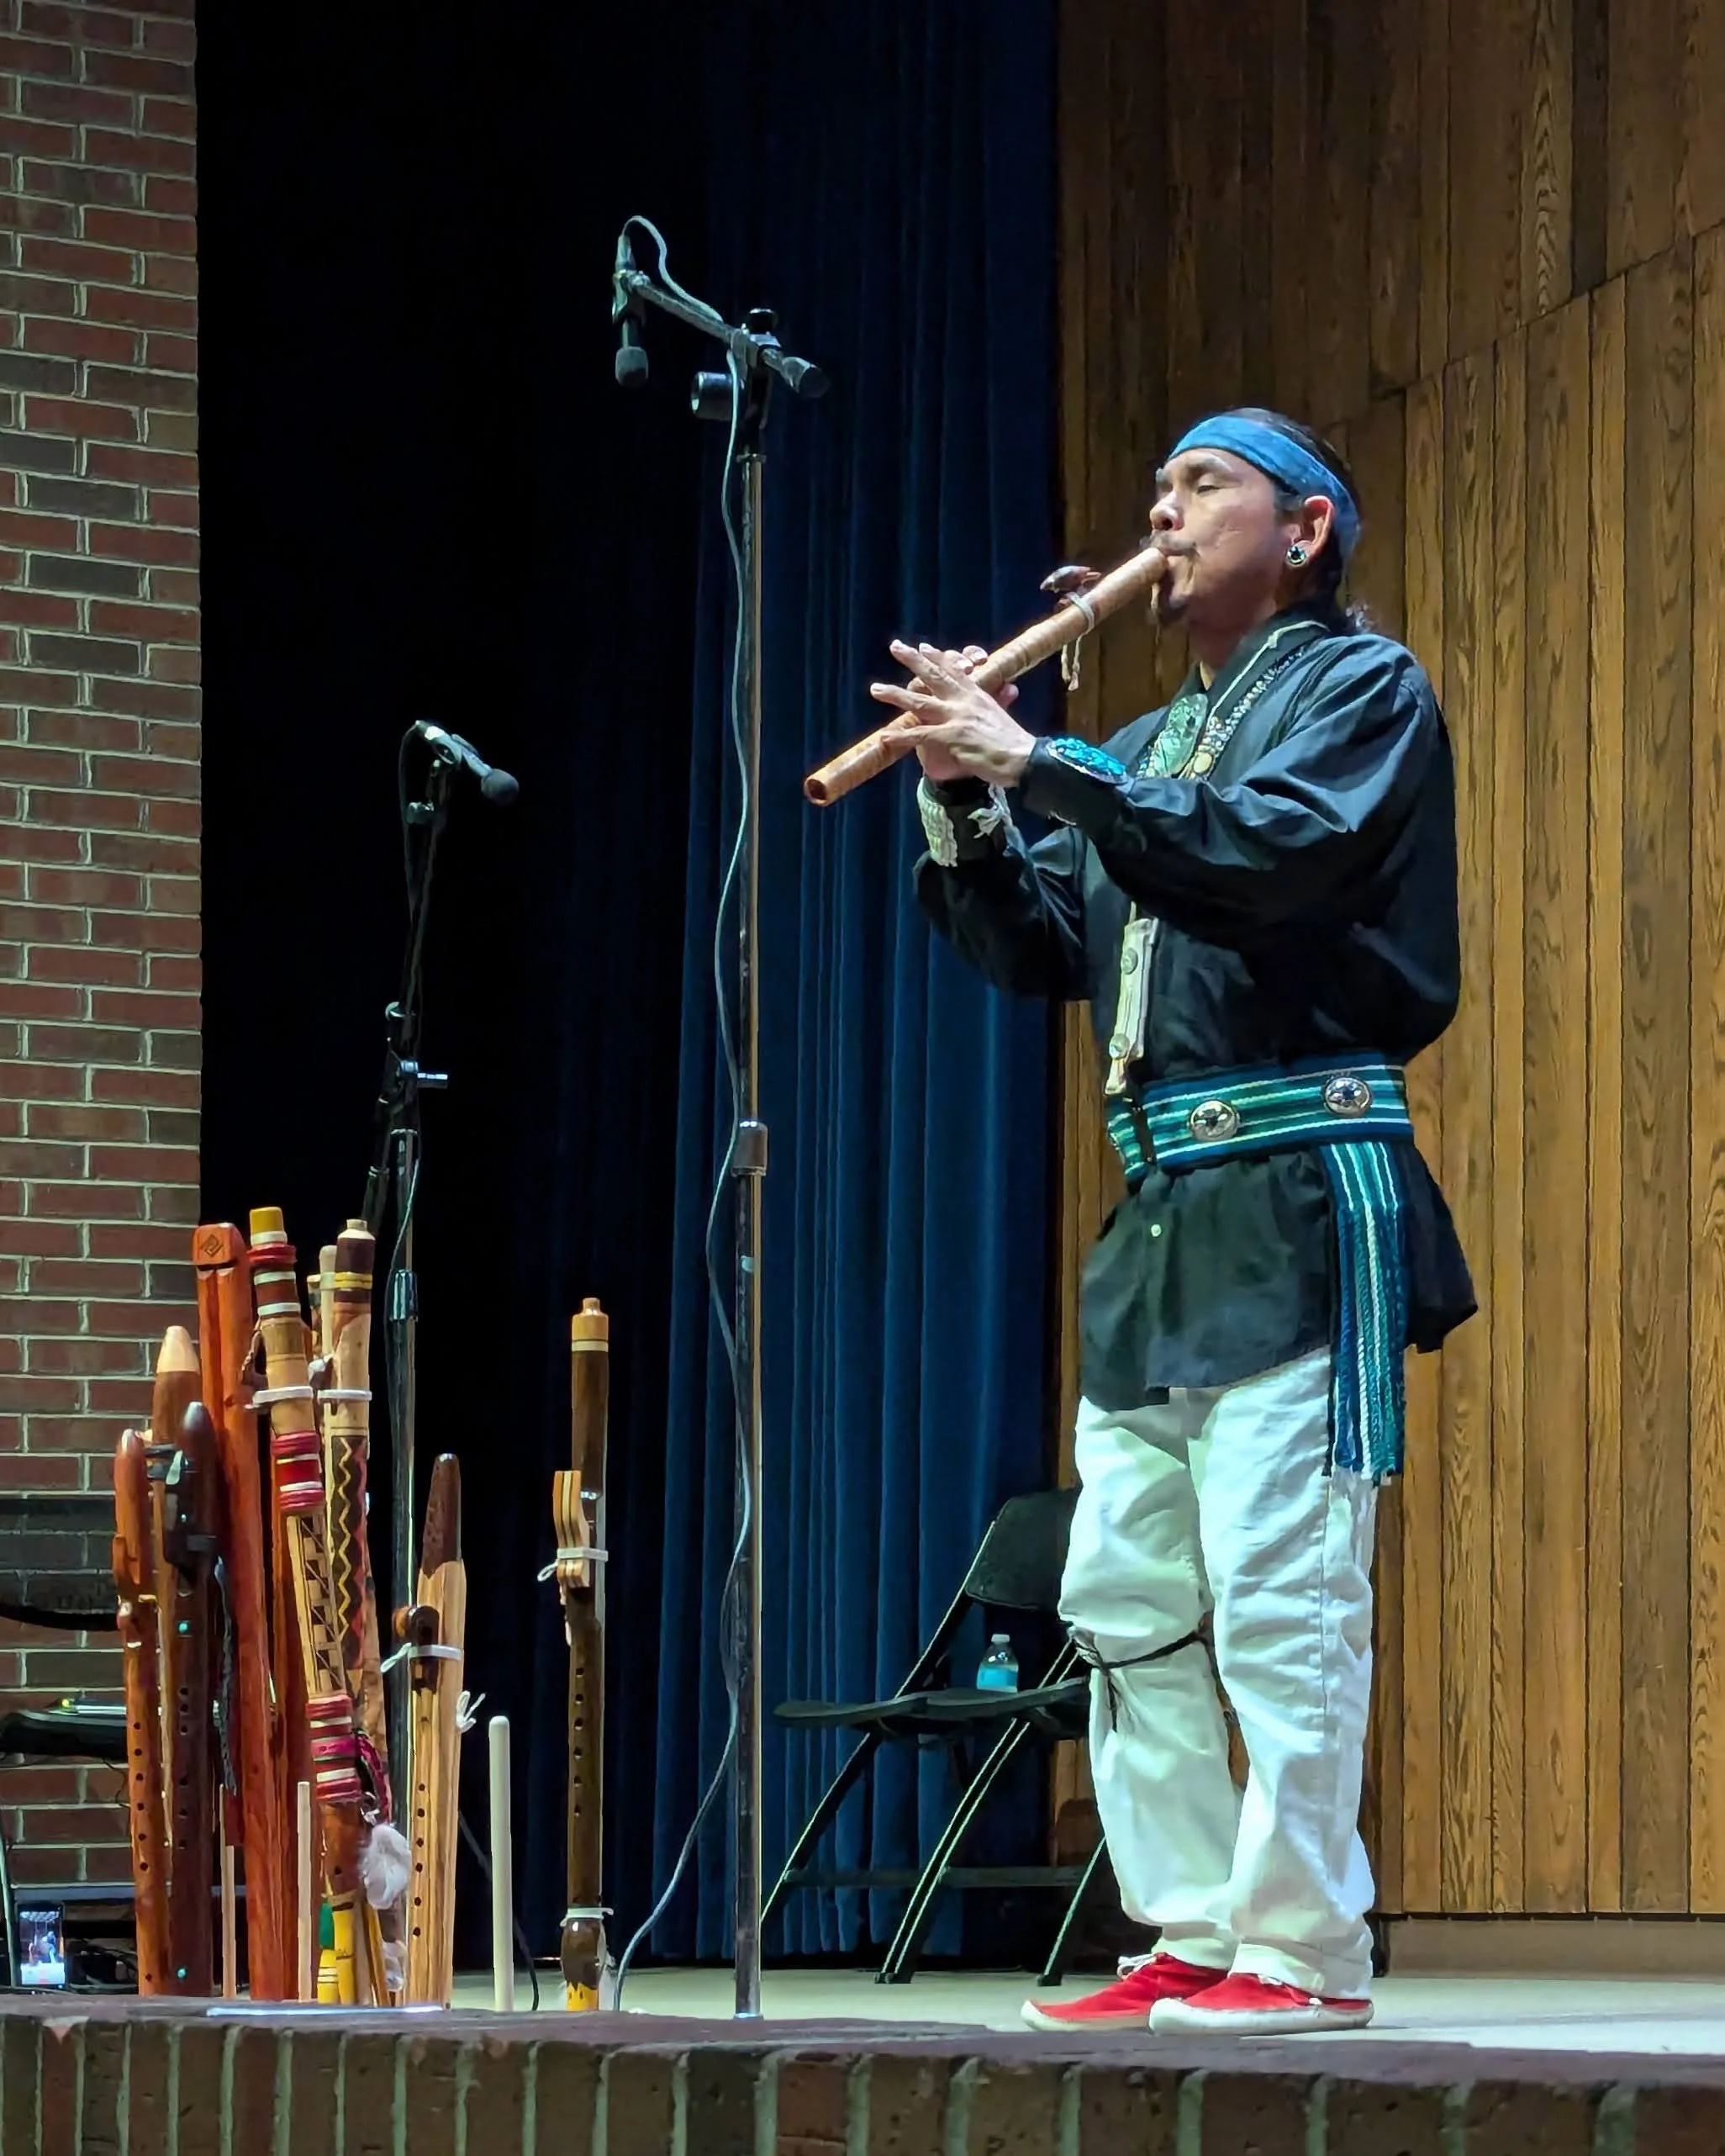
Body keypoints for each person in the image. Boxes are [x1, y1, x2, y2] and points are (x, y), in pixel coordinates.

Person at [870, 409, 1474, 2036]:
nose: (1168, 507)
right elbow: (1043, 948)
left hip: (1295, 1181)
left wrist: (1044, 762)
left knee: (1283, 1584)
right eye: (1160, 489)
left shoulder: (1362, 691)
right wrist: (972, 796)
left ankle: (1302, 1950)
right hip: (1161, 1217)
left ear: (1307, 530)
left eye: (1207, 485)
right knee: (1127, 1598)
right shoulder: (1140, 750)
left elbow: (1275, 860)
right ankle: (1191, 1923)